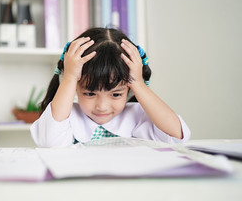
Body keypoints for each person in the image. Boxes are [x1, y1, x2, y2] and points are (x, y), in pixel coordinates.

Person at [30, 28, 190, 147]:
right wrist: (70, 77)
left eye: (115, 95)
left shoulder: (138, 116)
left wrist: (138, 83)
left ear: (129, 89)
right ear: (75, 88)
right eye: (90, 93)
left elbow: (177, 136)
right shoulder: (66, 117)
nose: (102, 106)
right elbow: (49, 141)